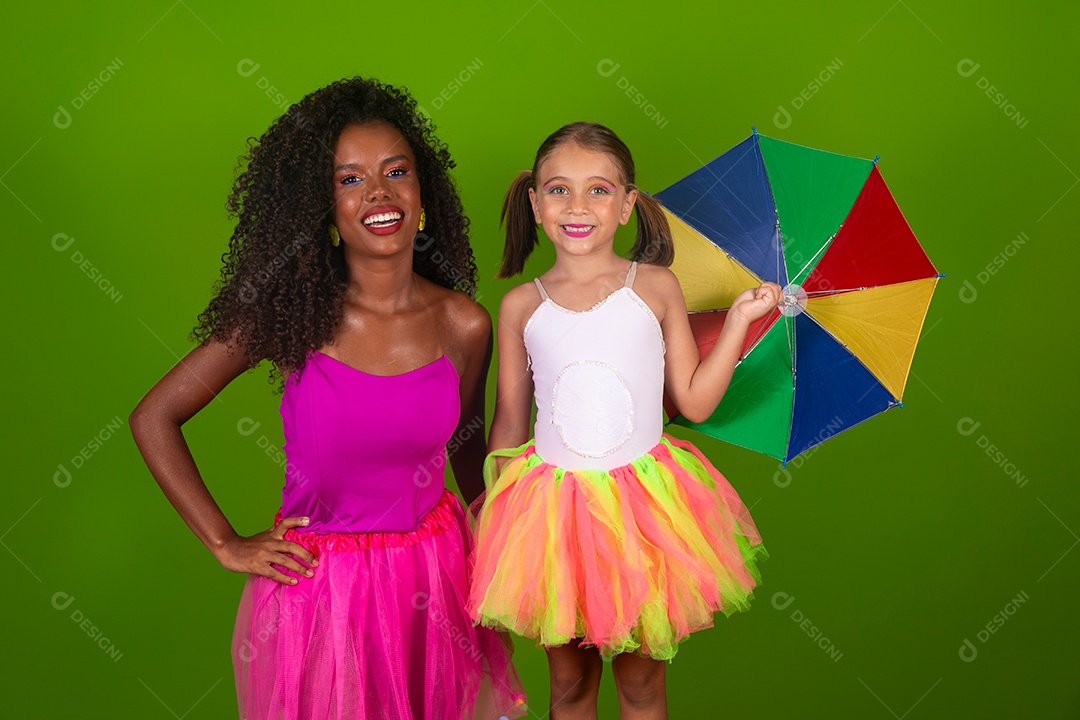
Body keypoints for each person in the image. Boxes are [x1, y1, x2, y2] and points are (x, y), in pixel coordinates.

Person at [130, 76, 525, 720]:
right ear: (326, 207)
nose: (378, 193)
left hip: (438, 580)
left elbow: (467, 447)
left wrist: (516, 535)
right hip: (323, 596)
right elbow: (155, 417)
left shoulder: (465, 323)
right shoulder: (291, 313)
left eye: (396, 170)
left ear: (423, 192)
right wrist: (225, 543)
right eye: (350, 179)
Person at [467, 122, 782, 719]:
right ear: (534, 203)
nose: (578, 206)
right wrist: (498, 518)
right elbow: (509, 421)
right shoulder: (520, 306)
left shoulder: (657, 288)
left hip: (645, 513)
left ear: (628, 204)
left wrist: (739, 320)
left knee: (641, 687)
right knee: (569, 686)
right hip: (552, 519)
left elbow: (692, 402)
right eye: (559, 190)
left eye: (599, 190)